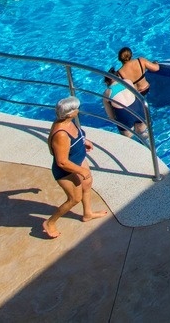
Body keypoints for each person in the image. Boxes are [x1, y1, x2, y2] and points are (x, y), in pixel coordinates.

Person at [42, 96, 108, 238]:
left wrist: (84, 141)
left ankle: (87, 214)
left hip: (78, 160)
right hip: (66, 171)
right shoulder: (60, 134)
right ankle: (49, 223)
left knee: (87, 184)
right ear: (69, 113)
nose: (78, 110)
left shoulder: (68, 122)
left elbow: (76, 136)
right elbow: (62, 162)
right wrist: (81, 170)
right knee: (74, 199)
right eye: (75, 109)